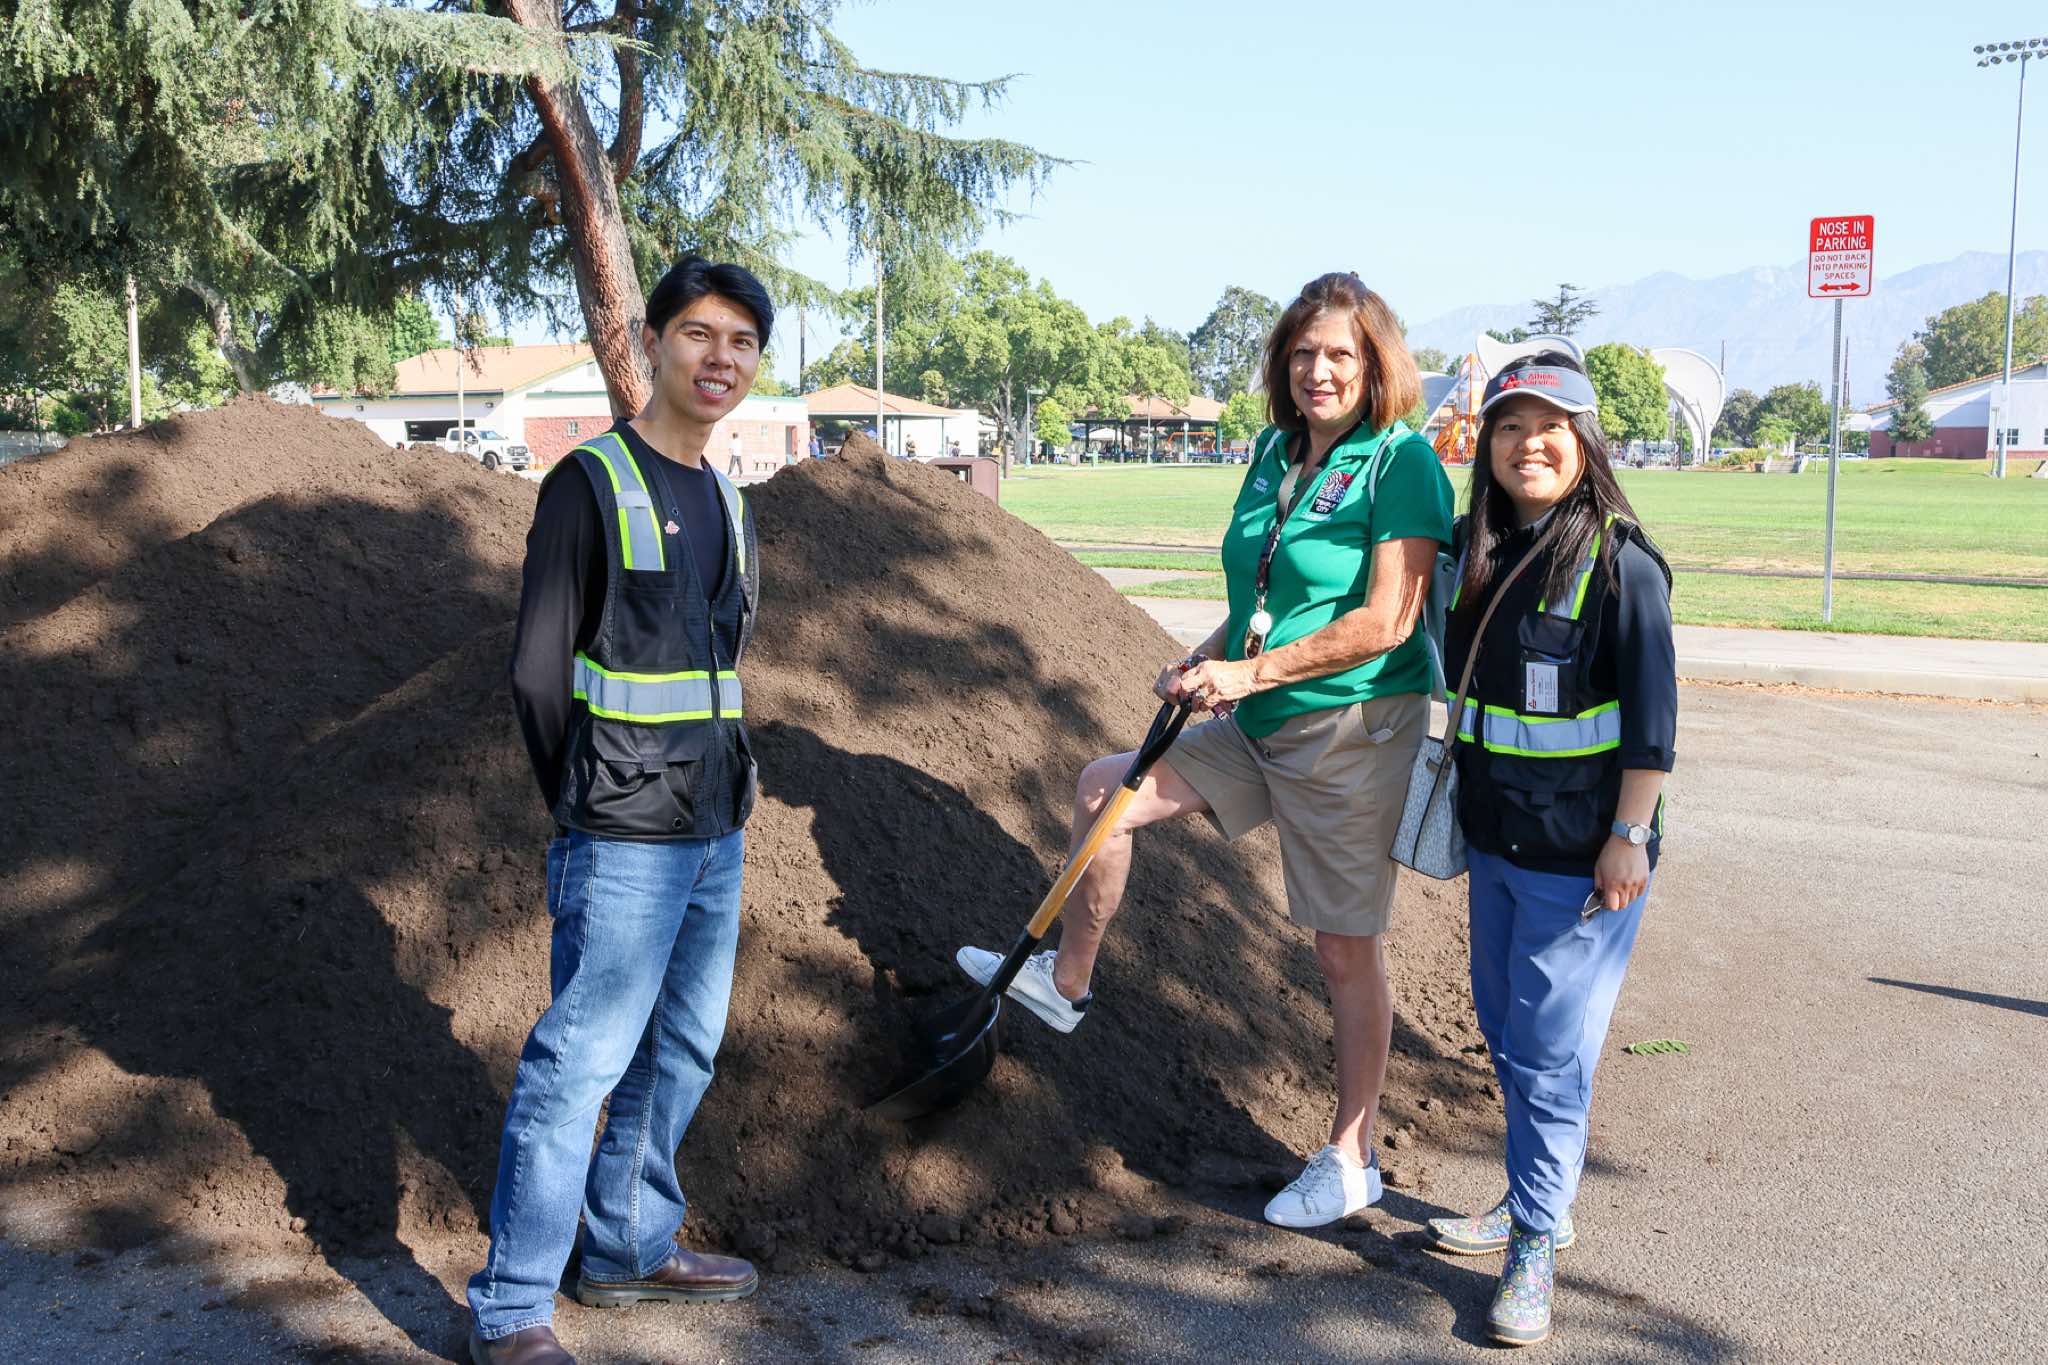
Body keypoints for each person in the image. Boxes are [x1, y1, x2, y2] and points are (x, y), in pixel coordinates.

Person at [955, 272, 1452, 1229]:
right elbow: (1262, 592)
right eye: (1302, 353)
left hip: (1350, 733)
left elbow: (1388, 619)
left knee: (1342, 947)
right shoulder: (1273, 452)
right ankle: (1067, 983)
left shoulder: (1403, 463)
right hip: (1261, 714)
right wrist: (1205, 657)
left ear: (1375, 364)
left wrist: (1248, 676)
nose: (1318, 371)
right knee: (1105, 792)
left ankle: (1353, 1157)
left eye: (1339, 355)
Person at [469, 257, 770, 1365]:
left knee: (681, 1048)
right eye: (698, 333)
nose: (719, 358)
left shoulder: (728, 499)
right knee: (578, 1065)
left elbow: (718, 665)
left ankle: (628, 1246)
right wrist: (585, 802)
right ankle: (510, 1310)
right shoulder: (590, 483)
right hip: (622, 832)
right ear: (651, 341)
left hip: (714, 826)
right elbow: (538, 670)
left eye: (741, 342)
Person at [1420, 352, 1676, 1348]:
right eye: (1510, 426)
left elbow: (1651, 722)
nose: (1530, 444)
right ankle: (1541, 1196)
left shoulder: (1620, 562)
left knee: (1550, 1051)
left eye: (1551, 428)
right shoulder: (1476, 552)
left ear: (1584, 443)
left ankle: (1534, 1240)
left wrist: (1628, 837)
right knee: (1504, 1028)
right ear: (1485, 443)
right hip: (1495, 842)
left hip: (1583, 860)